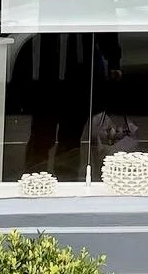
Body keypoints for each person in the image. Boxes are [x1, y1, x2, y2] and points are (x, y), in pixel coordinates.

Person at [25, 32, 122, 177]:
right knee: (43, 135)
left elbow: (105, 27)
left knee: (68, 138)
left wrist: (113, 60)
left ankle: (61, 181)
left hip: (76, 74)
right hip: (48, 72)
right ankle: (35, 181)